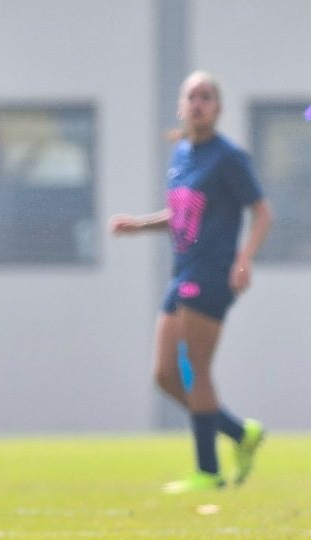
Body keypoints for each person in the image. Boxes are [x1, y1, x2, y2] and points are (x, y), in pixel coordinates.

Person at [109, 70, 273, 494]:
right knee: (164, 375)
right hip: (182, 271)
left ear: (216, 108)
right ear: (181, 107)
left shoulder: (229, 157)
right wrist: (138, 225)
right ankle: (239, 433)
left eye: (206, 97)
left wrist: (244, 259)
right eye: (191, 97)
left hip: (212, 273)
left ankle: (208, 470)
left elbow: (263, 212)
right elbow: (182, 215)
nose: (198, 103)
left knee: (197, 371)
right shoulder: (181, 154)